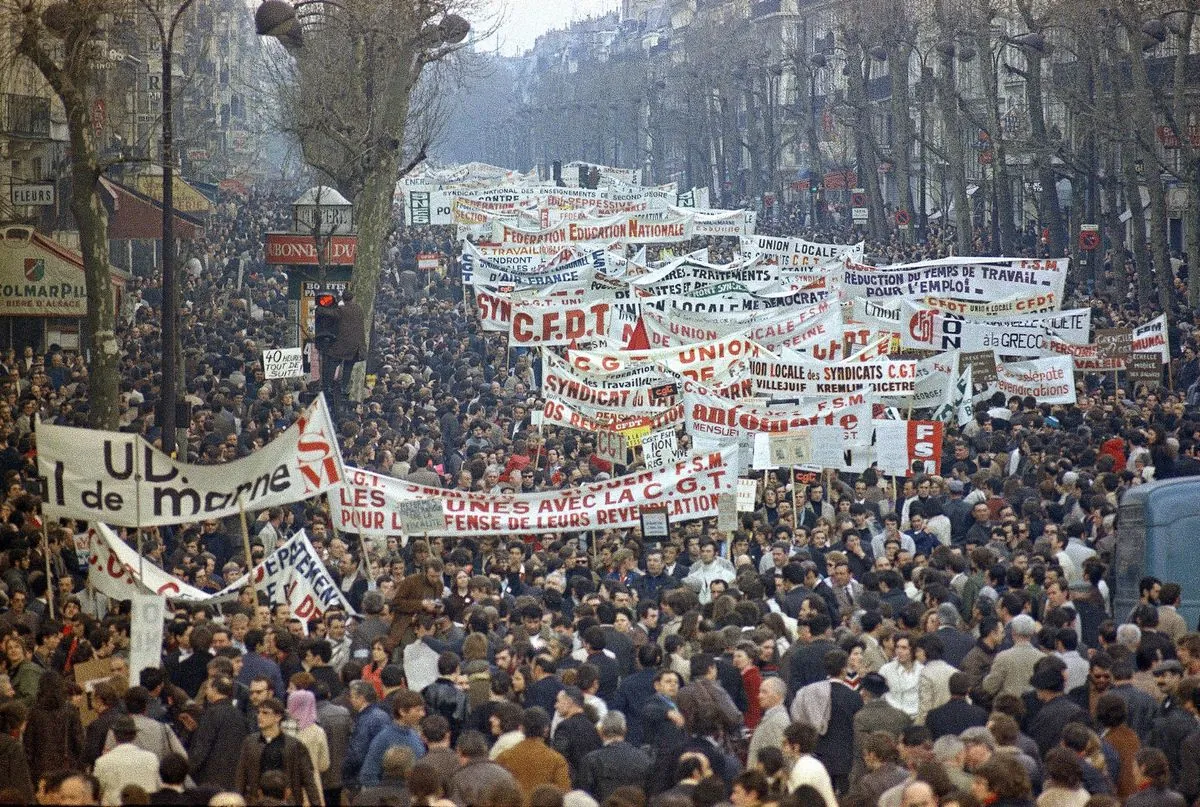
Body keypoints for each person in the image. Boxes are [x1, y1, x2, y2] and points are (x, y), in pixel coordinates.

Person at [234, 697, 321, 806]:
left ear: (278, 717)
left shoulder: (294, 745)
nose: (259, 716)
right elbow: (241, 776)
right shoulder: (250, 742)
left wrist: (316, 803)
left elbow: (308, 779)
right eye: (258, 712)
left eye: (265, 713)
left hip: (288, 801)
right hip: (257, 801)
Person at [189, 674, 251, 792]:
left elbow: (202, 748)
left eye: (207, 688)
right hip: (234, 779)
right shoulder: (240, 716)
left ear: (215, 690)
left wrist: (188, 770)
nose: (206, 691)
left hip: (209, 780)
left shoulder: (211, 714)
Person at [495, 707, 571, 798]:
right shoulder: (557, 760)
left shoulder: (504, 757)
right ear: (546, 730)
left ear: (521, 728)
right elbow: (564, 793)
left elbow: (495, 790)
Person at [576, 711, 650, 801]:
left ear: (601, 731)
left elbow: (584, 795)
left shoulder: (591, 760)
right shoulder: (644, 758)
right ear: (625, 730)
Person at [94, 715, 161, 806]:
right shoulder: (151, 758)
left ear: (114, 735)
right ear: (135, 735)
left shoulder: (102, 762)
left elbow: (97, 792)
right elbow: (159, 786)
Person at [287, 689, 331, 803]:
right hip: (312, 786)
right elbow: (324, 764)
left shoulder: (284, 729)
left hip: (287, 785)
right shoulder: (318, 732)